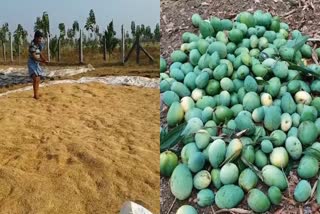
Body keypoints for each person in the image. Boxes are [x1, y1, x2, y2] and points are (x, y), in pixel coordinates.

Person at [28, 31, 48, 99]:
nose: (40, 40)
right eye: (39, 38)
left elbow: (40, 53)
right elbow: (34, 57)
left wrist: (44, 59)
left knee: (38, 78)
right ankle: (35, 95)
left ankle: (36, 94)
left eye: (41, 38)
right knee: (35, 78)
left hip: (37, 63)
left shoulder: (39, 45)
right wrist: (42, 61)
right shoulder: (32, 45)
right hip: (32, 63)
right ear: (35, 37)